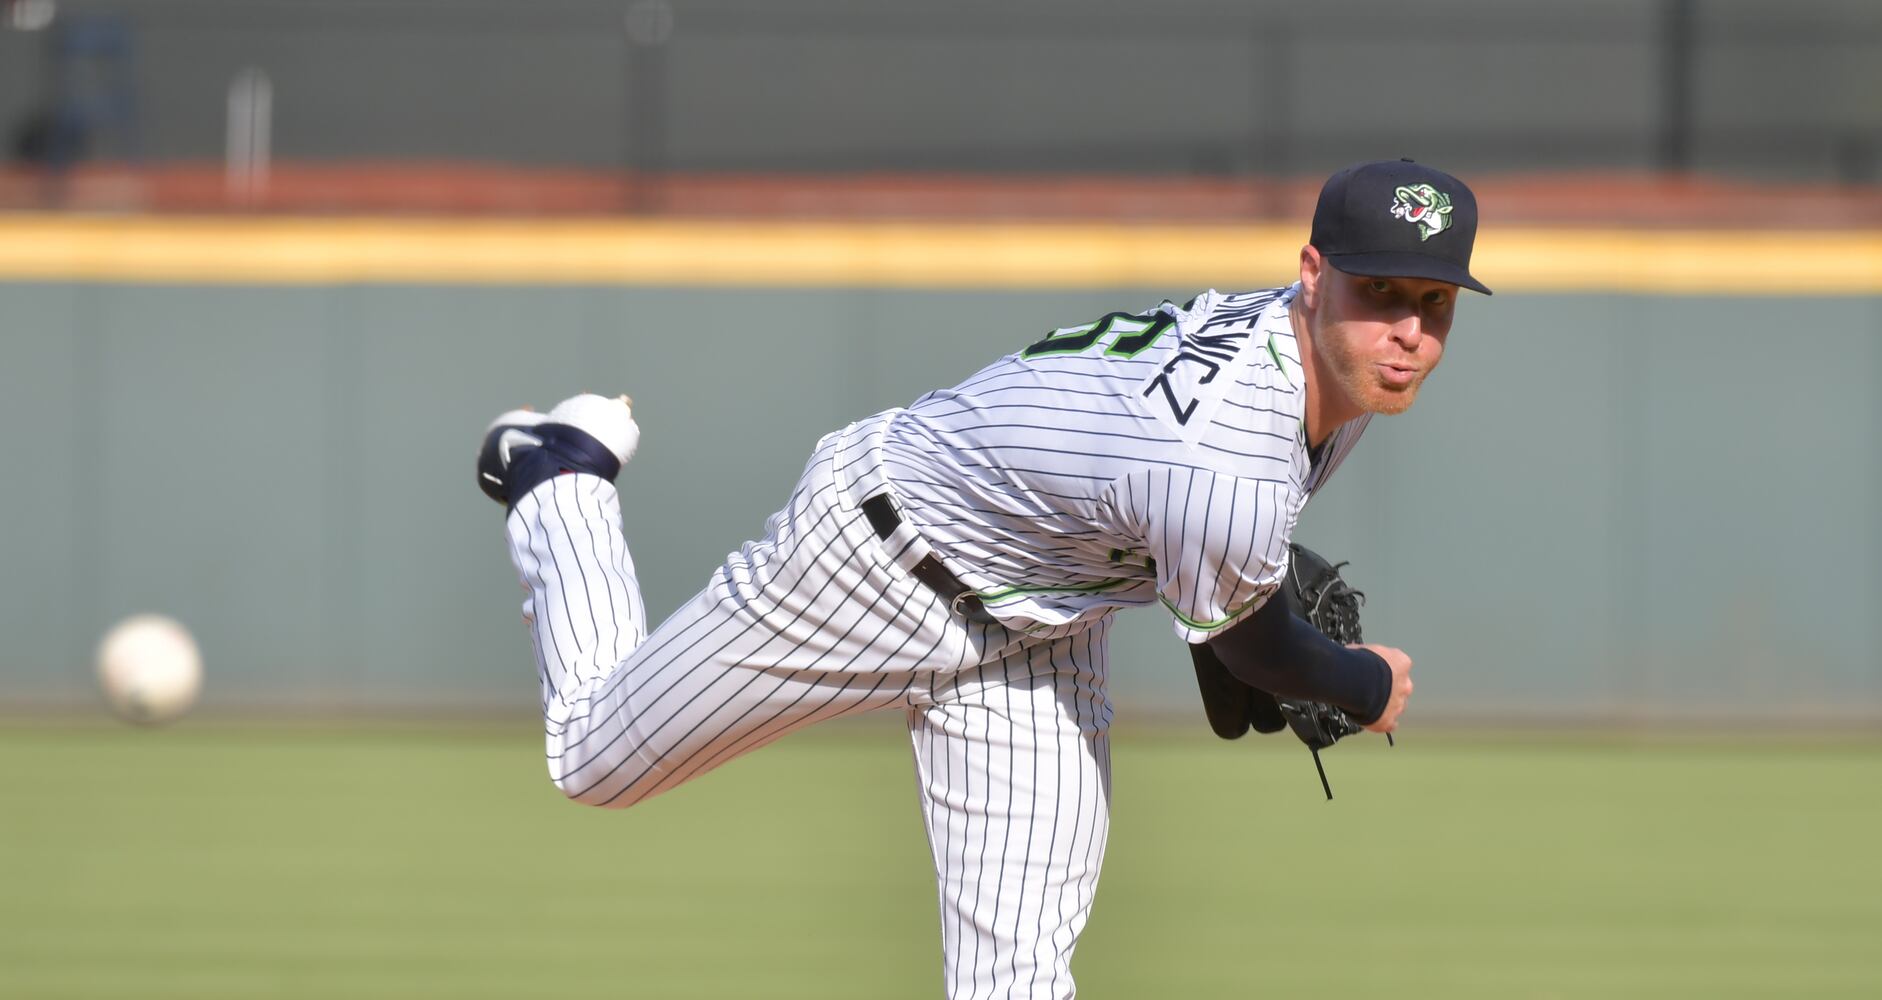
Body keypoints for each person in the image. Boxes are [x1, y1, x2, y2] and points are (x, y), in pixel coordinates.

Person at [474, 159, 1490, 999]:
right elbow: (1253, 642)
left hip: (1042, 630)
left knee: (1018, 978)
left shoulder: (1324, 368)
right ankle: (556, 475)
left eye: (1431, 302)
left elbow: (1201, 562)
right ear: (1311, 274)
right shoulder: (1232, 448)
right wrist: (1357, 682)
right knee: (594, 760)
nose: (1406, 330)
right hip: (870, 561)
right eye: (1380, 294)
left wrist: (1232, 611)